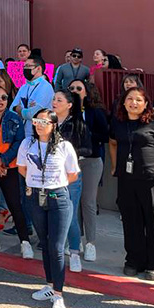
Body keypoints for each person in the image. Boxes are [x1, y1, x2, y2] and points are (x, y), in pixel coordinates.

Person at [18, 108, 80, 308]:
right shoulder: (28, 143)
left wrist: (54, 183)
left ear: (54, 125)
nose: (39, 124)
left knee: (56, 246)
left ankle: (59, 295)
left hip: (58, 197)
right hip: (35, 197)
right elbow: (22, 169)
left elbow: (72, 174)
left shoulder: (64, 146)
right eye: (37, 120)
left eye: (45, 121)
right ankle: (50, 285)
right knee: (44, 243)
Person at [109, 87, 154, 280]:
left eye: (138, 100)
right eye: (130, 99)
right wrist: (114, 165)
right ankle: (134, 261)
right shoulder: (118, 122)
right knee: (131, 222)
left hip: (152, 180)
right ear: (124, 102)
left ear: (146, 104)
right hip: (126, 180)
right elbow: (112, 143)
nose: (133, 103)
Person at [0, 85, 32, 258]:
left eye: (4, 97)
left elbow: (20, 142)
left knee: (15, 204)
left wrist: (3, 161)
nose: (0, 100)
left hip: (9, 167)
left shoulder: (14, 118)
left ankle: (25, 242)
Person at [67, 80, 108, 262]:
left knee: (88, 202)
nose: (75, 91)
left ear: (86, 92)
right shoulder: (66, 112)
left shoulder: (95, 112)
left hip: (91, 161)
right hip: (71, 162)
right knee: (73, 202)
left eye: (78, 88)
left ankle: (91, 243)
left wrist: (86, 135)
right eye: (72, 89)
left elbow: (105, 135)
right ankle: (76, 241)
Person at [52, 89, 91, 273]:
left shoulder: (77, 124)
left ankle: (74, 252)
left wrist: (68, 152)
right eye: (54, 99)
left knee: (71, 214)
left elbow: (88, 149)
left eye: (59, 100)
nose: (54, 102)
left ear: (69, 105)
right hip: (50, 175)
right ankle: (57, 248)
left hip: (70, 175)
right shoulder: (49, 121)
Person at [12, 55, 55, 137]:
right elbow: (12, 109)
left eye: (28, 66)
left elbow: (33, 114)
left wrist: (19, 109)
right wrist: (25, 110)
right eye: (24, 66)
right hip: (22, 132)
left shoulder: (46, 87)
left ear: (38, 68)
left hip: (38, 134)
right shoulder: (24, 87)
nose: (25, 69)